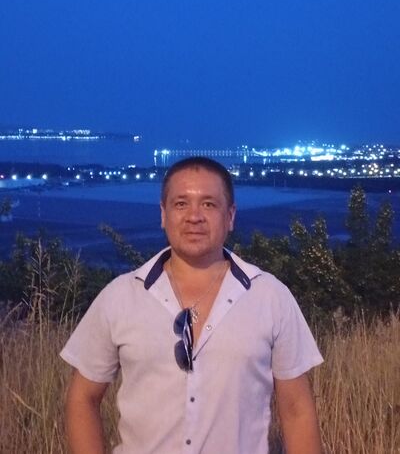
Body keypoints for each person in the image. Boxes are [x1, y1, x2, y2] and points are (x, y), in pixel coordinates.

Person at [61, 156, 324, 454]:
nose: (194, 216)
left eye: (209, 204)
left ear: (230, 216)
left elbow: (296, 409)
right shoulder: (121, 296)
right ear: (163, 214)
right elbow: (83, 398)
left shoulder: (270, 297)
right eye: (181, 204)